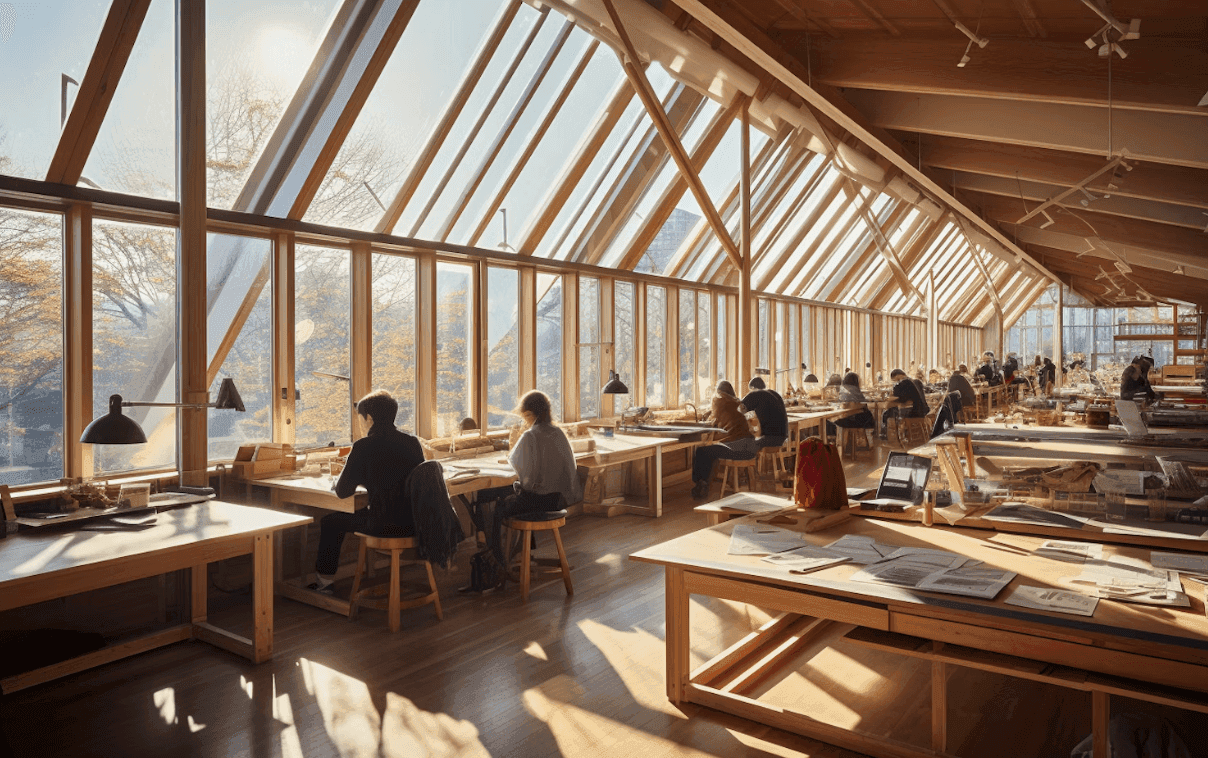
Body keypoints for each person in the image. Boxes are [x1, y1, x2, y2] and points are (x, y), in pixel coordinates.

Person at [312, 390, 425, 593]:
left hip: (383, 525)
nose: (360, 425)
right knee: (368, 512)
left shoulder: (363, 446)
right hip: (415, 523)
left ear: (369, 419)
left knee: (330, 522)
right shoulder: (412, 443)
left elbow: (343, 492)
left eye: (360, 419)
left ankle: (325, 582)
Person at [475, 390, 582, 567]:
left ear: (529, 414)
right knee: (512, 494)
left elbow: (520, 470)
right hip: (556, 502)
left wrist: (510, 463)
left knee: (488, 499)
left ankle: (497, 557)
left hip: (535, 504)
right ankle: (521, 553)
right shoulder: (559, 433)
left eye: (525, 416)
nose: (524, 420)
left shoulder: (530, 436)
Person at [690, 381, 756, 499]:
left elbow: (713, 420)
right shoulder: (738, 402)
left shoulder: (719, 401)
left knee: (701, 451)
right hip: (751, 446)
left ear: (719, 392)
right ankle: (705, 483)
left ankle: (701, 484)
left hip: (738, 447)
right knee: (711, 451)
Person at [741, 376, 789, 452]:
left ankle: (753, 464)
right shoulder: (774, 394)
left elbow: (739, 408)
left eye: (750, 390)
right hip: (783, 438)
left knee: (745, 445)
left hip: (770, 439)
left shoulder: (756, 394)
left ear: (753, 388)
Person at [880, 368, 928, 439]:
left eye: (894, 379)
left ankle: (893, 435)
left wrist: (890, 398)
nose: (895, 381)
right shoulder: (911, 381)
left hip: (914, 411)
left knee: (888, 412)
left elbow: (901, 398)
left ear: (897, 376)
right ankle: (894, 434)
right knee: (889, 410)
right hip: (921, 410)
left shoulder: (905, 382)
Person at [826, 372, 876, 438]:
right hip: (864, 420)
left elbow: (840, 405)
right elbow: (864, 405)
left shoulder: (842, 390)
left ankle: (831, 440)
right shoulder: (857, 391)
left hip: (850, 421)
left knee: (828, 421)